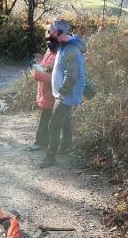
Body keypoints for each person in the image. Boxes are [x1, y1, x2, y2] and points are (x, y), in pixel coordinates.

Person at [41, 19, 86, 167]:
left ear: (60, 33)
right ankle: (65, 147)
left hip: (67, 94)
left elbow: (71, 75)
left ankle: (50, 157)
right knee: (65, 120)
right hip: (63, 93)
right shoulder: (63, 45)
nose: (49, 34)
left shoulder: (71, 49)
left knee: (53, 124)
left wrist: (62, 92)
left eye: (52, 31)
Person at [28, 27, 60, 151]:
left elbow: (57, 78)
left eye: (50, 39)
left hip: (53, 94)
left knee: (47, 119)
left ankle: (41, 143)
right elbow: (45, 67)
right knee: (48, 119)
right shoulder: (49, 51)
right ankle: (44, 142)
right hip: (44, 92)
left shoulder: (60, 54)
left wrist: (38, 75)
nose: (48, 42)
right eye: (47, 39)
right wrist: (37, 66)